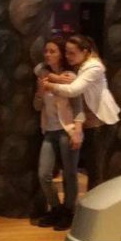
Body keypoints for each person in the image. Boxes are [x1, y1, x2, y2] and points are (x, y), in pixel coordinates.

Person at [42, 36, 120, 191]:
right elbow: (39, 68)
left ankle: (96, 205)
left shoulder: (94, 66)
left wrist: (49, 85)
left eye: (72, 53)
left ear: (85, 52)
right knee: (91, 167)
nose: (68, 56)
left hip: (100, 121)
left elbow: (73, 90)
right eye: (66, 52)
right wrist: (54, 76)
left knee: (96, 169)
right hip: (88, 122)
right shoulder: (78, 66)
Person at [34, 37, 84, 230]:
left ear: (61, 54)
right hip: (49, 130)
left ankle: (68, 211)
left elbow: (78, 107)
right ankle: (55, 208)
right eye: (46, 51)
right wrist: (40, 92)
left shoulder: (70, 77)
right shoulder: (44, 76)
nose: (48, 54)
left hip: (67, 130)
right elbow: (37, 106)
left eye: (52, 51)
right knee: (44, 174)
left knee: (69, 175)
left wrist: (77, 131)